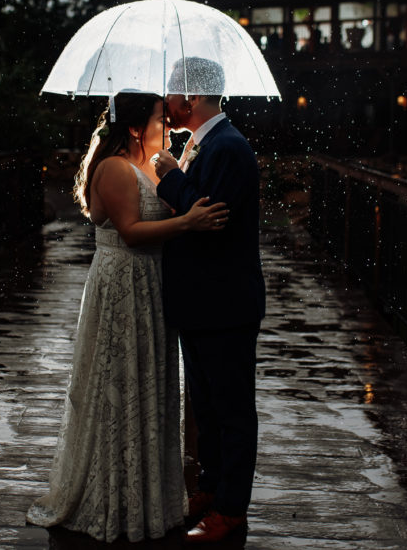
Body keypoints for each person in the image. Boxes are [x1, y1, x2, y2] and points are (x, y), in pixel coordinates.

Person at [26, 91, 229, 543]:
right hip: (123, 284)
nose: (169, 126)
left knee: (148, 384)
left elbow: (169, 208)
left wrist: (178, 177)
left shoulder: (153, 161)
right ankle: (116, 497)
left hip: (152, 287)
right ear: (137, 126)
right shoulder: (115, 167)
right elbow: (133, 234)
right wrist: (188, 223)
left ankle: (149, 495)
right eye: (161, 118)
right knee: (119, 385)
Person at [152, 57, 265, 544]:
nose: (167, 104)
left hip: (225, 303)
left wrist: (169, 175)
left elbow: (209, 215)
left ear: (192, 98)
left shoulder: (230, 147)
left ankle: (231, 510)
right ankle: (211, 491)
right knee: (207, 407)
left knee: (232, 411)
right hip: (201, 303)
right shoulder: (203, 144)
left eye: (172, 95)